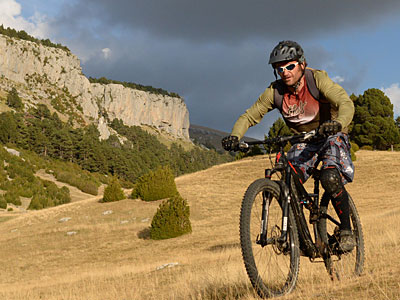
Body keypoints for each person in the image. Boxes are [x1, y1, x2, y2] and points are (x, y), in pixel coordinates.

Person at [221, 40, 356, 252]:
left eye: (290, 66)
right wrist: (235, 137)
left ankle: (347, 230)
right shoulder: (275, 92)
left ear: (302, 64)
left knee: (330, 177)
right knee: (287, 183)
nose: (284, 72)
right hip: (304, 141)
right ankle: (296, 236)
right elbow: (249, 116)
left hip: (330, 134)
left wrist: (337, 123)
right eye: (279, 68)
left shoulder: (316, 79)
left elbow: (345, 102)